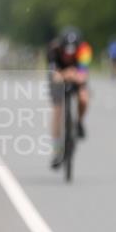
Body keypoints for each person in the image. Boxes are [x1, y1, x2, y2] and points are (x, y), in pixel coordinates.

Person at [48, 27, 92, 168]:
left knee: (84, 98)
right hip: (60, 77)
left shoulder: (84, 49)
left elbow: (83, 74)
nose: (68, 54)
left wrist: (73, 75)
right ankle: (57, 150)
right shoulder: (53, 50)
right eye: (66, 50)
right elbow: (54, 75)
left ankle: (78, 121)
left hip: (75, 75)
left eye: (72, 51)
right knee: (57, 110)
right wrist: (68, 74)